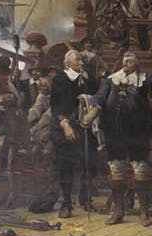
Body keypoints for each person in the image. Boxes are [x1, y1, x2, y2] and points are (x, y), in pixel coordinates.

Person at [92, 47, 152, 225]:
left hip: (137, 133)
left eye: (130, 60)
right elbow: (99, 98)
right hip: (114, 133)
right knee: (116, 173)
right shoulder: (111, 80)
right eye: (124, 60)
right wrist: (92, 111)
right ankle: (118, 210)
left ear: (137, 64)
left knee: (141, 172)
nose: (126, 63)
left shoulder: (142, 80)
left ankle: (144, 212)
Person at [50, 49, 99, 217]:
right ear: (68, 62)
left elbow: (98, 98)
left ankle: (85, 199)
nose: (81, 62)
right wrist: (65, 125)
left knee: (89, 164)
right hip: (66, 127)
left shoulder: (89, 79)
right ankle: (66, 203)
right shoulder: (60, 79)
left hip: (85, 126)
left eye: (81, 60)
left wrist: (88, 98)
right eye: (77, 60)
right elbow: (55, 107)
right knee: (66, 166)